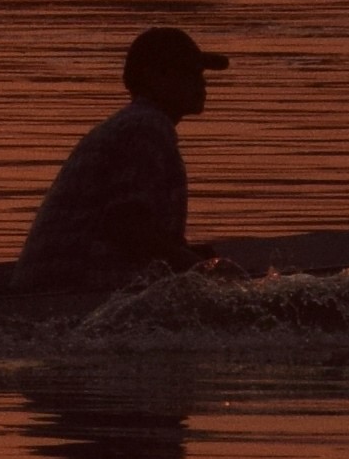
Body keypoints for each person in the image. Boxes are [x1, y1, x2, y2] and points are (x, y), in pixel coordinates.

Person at [17, 24, 227, 289]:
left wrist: (185, 253)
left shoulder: (137, 124)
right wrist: (197, 270)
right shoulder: (145, 127)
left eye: (199, 74)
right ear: (152, 77)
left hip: (56, 281)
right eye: (187, 73)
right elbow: (127, 226)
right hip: (71, 285)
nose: (201, 83)